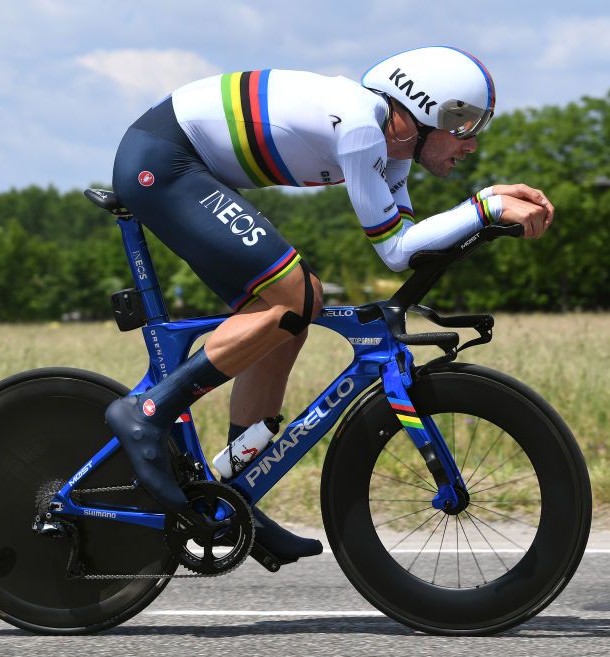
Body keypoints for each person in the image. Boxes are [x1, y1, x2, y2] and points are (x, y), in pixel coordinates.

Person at [105, 46, 554, 563]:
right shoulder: (364, 128)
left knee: (295, 310)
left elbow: (408, 245)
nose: (472, 143)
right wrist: (486, 206)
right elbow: (394, 250)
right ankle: (147, 412)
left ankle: (234, 495)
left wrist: (486, 212)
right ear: (423, 110)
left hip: (180, 163)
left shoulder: (393, 150)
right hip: (164, 162)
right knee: (297, 296)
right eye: (465, 123)